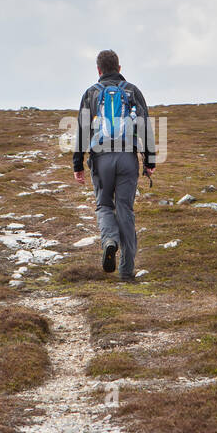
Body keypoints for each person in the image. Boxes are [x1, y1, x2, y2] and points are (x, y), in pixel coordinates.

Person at [73, 50, 156, 282]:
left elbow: (82, 129)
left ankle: (109, 240)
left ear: (98, 70)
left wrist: (77, 163)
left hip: (101, 159)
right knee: (125, 210)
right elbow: (145, 125)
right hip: (127, 158)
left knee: (104, 206)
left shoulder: (91, 93)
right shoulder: (132, 90)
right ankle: (127, 271)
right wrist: (149, 161)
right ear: (119, 68)